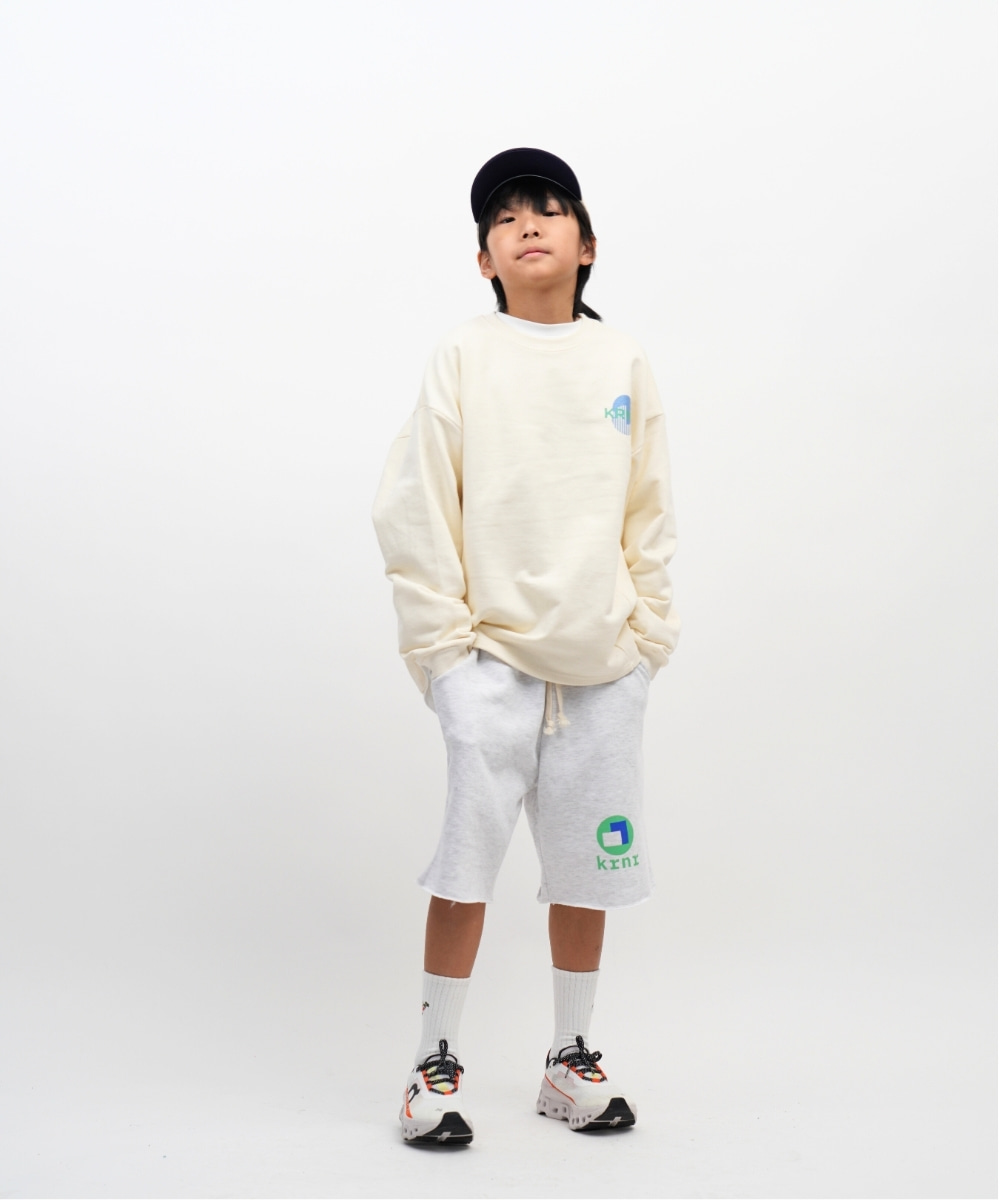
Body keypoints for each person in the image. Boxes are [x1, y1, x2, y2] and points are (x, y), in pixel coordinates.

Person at [372, 147, 680, 1144]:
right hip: (490, 661)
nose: (528, 224)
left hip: (602, 668)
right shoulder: (465, 355)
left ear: (587, 246)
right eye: (505, 218)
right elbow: (416, 501)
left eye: (549, 210)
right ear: (484, 260)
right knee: (466, 864)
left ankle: (567, 1059)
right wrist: (445, 655)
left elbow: (649, 509)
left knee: (588, 868)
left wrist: (646, 636)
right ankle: (433, 1064)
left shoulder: (621, 360)